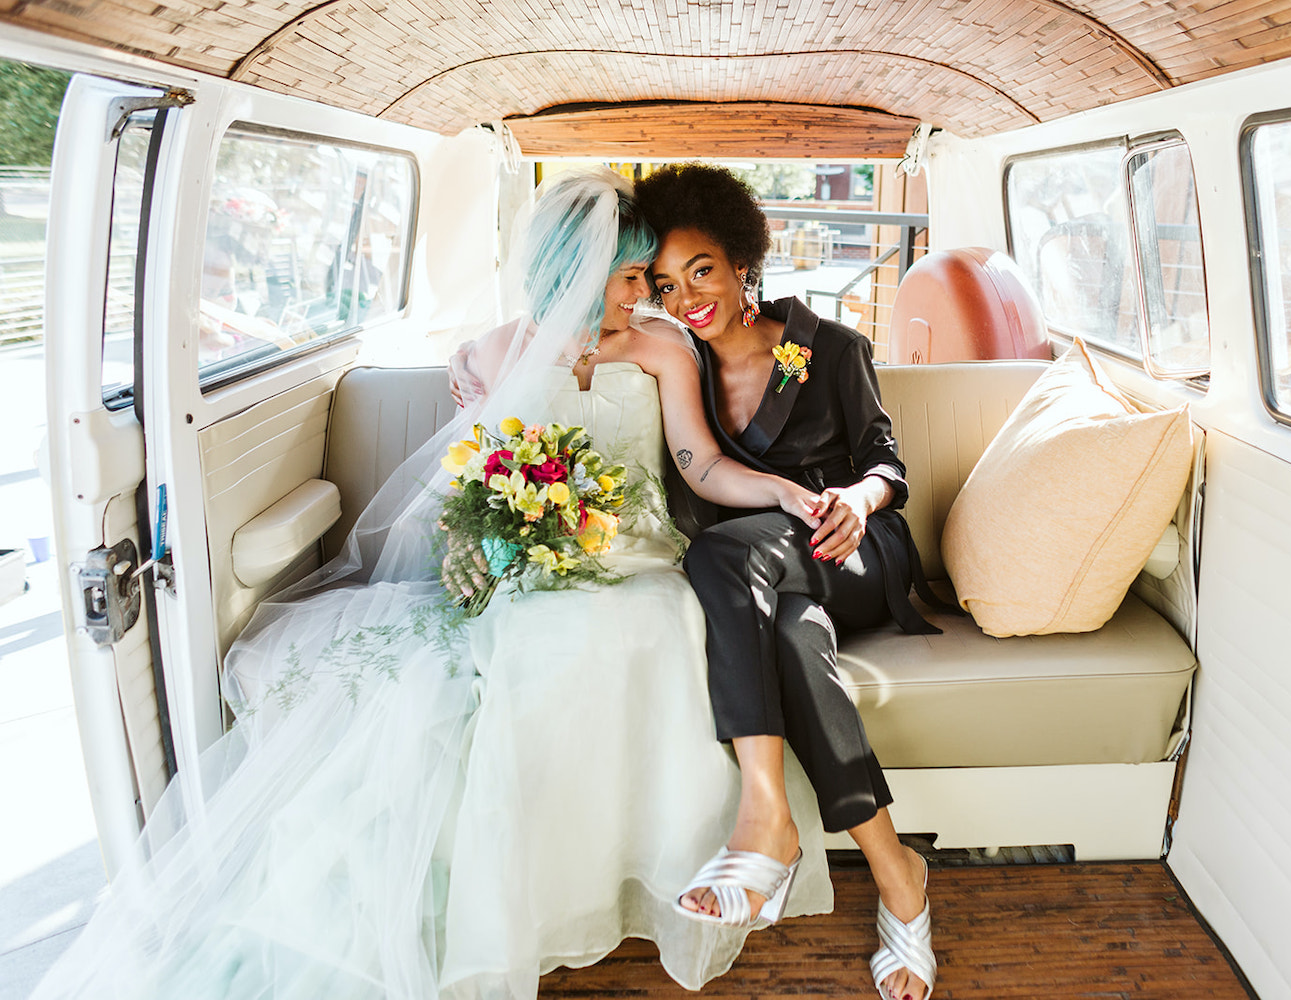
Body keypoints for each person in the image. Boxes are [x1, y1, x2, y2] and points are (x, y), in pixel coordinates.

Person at [28, 170, 832, 1000]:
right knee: (521, 646)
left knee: (652, 628)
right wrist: (482, 544)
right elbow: (468, 482)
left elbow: (698, 462)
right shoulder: (490, 356)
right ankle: (523, 894)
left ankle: (636, 877)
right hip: (529, 564)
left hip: (638, 559)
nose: (645, 292)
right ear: (580, 270)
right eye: (631, 276)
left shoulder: (663, 348)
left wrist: (775, 489)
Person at [635, 163, 939, 1000]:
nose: (688, 294)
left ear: (741, 261)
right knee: (793, 638)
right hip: (772, 580)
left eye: (702, 270)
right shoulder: (677, 364)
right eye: (666, 282)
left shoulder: (824, 345)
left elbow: (887, 462)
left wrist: (857, 495)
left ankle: (765, 824)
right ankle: (897, 872)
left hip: (855, 550)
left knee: (721, 555)